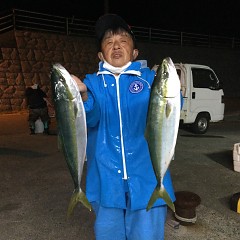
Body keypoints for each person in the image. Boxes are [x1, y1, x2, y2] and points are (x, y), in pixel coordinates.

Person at [72, 14, 178, 240]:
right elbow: (89, 119)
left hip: (148, 179)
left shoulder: (152, 80)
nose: (116, 45)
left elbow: (172, 111)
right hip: (106, 180)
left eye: (123, 40)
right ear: (101, 55)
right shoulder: (91, 83)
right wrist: (81, 98)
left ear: (135, 52)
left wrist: (173, 89)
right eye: (109, 42)